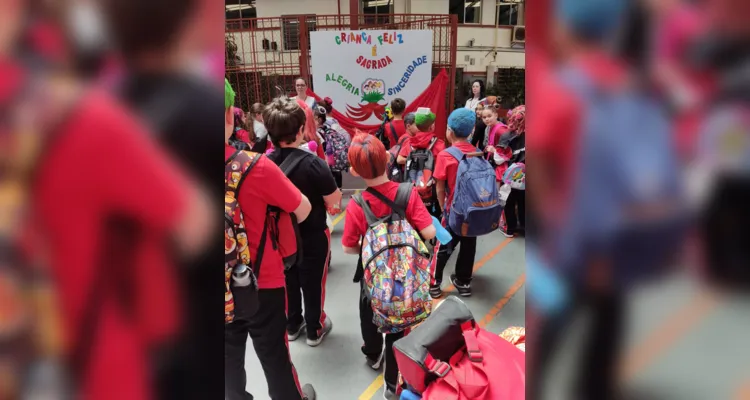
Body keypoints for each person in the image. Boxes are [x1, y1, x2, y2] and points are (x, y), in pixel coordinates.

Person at [224, 81, 317, 400]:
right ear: (229, 116)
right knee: (275, 357)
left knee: (225, 361)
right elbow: (302, 209)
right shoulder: (255, 166)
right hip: (261, 282)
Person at [341, 132, 436, 398]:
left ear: (354, 171)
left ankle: (372, 353)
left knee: (368, 311)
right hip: (406, 277)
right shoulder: (407, 193)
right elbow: (428, 232)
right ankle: (393, 385)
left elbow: (349, 248)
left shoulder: (358, 204)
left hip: (374, 278)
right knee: (398, 325)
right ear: (387, 159)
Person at [265, 98, 341, 347]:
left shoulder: (261, 164)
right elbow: (334, 202)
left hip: (277, 237)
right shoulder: (315, 165)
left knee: (288, 279)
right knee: (313, 283)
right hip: (311, 235)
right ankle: (315, 328)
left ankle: (292, 325)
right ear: (300, 130)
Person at [431, 108, 481, 298]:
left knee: (442, 246)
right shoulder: (478, 152)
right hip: (473, 211)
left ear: (449, 131)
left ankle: (435, 284)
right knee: (469, 246)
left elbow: (439, 186)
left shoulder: (445, 155)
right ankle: (463, 281)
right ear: (471, 131)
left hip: (454, 210)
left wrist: (444, 207)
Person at [397, 108, 446, 218]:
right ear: (431, 126)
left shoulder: (409, 142)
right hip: (432, 194)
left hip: (412, 192)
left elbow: (399, 159)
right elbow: (441, 173)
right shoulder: (439, 144)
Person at [502, 105, 526, 237]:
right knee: (524, 202)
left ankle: (510, 228)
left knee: (509, 202)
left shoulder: (507, 135)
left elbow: (499, 158)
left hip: (509, 175)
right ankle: (524, 227)